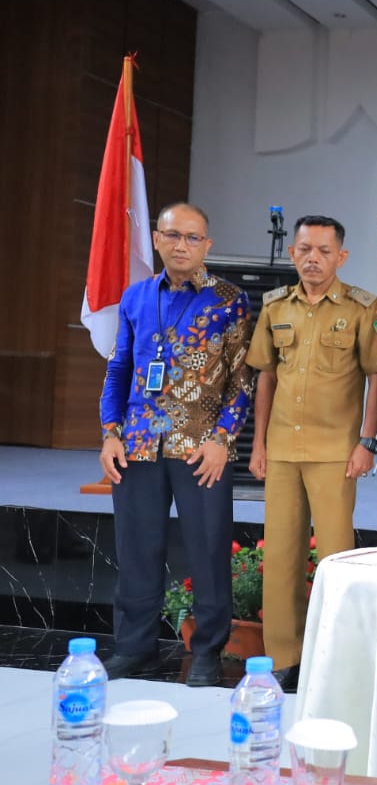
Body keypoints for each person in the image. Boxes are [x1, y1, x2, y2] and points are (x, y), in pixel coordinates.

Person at [98, 202, 253, 687]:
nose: (181, 245)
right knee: (137, 551)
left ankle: (206, 651)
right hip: (138, 445)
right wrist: (109, 432)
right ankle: (134, 649)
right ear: (157, 240)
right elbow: (119, 368)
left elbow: (242, 380)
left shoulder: (229, 300)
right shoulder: (136, 297)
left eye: (192, 237)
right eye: (172, 235)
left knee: (208, 550)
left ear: (207, 244)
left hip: (201, 449)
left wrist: (223, 439)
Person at [246, 215, 377, 690]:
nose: (313, 259)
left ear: (340, 257)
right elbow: (266, 376)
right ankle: (283, 657)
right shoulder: (274, 306)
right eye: (305, 249)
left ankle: (334, 656)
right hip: (283, 449)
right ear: (292, 253)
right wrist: (259, 444)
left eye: (324, 251)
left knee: (334, 556)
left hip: (336, 452)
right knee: (281, 555)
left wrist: (367, 442)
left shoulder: (362, 307)